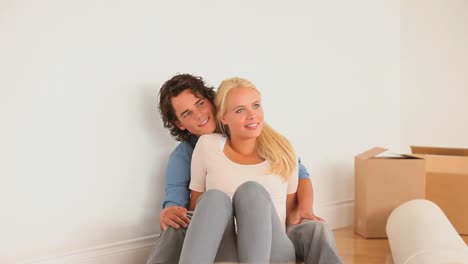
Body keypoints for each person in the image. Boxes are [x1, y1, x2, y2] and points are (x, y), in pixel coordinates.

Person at [146, 74, 342, 264]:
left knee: (251, 191)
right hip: (224, 237)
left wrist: (305, 209)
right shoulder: (196, 150)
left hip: (272, 242)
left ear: (214, 104)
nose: (199, 115)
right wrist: (170, 209)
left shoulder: (272, 142)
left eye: (200, 104)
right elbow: (188, 206)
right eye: (187, 113)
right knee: (212, 198)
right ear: (180, 123)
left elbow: (300, 177)